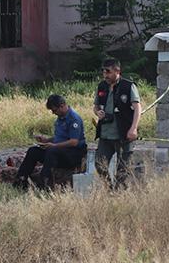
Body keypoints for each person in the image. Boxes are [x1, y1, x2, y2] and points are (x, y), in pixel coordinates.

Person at [14, 94, 87, 189]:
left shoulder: (74, 119)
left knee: (51, 151)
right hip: (60, 152)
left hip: (73, 154)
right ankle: (21, 180)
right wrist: (47, 140)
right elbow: (61, 138)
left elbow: (74, 142)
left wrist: (53, 146)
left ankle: (44, 184)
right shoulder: (60, 119)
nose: (53, 113)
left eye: (54, 110)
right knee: (33, 151)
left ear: (62, 106)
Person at [92, 58, 141, 189]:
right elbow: (95, 106)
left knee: (122, 171)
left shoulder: (128, 86)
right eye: (103, 72)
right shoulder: (102, 86)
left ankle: (119, 194)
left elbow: (137, 108)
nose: (105, 75)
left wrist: (134, 129)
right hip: (105, 135)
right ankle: (109, 189)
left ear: (117, 71)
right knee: (99, 164)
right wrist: (98, 113)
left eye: (108, 71)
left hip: (123, 135)